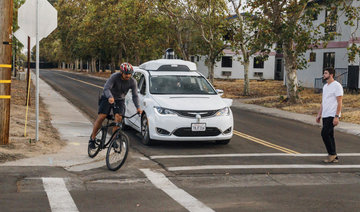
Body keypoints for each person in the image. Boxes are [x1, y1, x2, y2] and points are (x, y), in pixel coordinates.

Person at [89, 62, 142, 148]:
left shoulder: (133, 81)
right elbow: (106, 88)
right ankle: (92, 139)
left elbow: (135, 96)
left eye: (129, 74)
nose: (128, 75)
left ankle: (113, 140)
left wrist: (138, 107)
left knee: (118, 118)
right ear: (121, 72)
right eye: (126, 74)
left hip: (120, 100)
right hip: (107, 97)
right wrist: (110, 97)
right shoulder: (114, 77)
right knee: (102, 117)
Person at [316, 67, 343, 163]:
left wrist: (336, 116)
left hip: (332, 114)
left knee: (324, 133)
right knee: (330, 135)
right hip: (325, 114)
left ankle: (332, 154)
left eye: (326, 73)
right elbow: (323, 102)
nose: (324, 75)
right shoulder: (325, 86)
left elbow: (339, 102)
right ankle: (334, 156)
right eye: (324, 73)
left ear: (331, 75)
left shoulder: (337, 86)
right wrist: (319, 114)